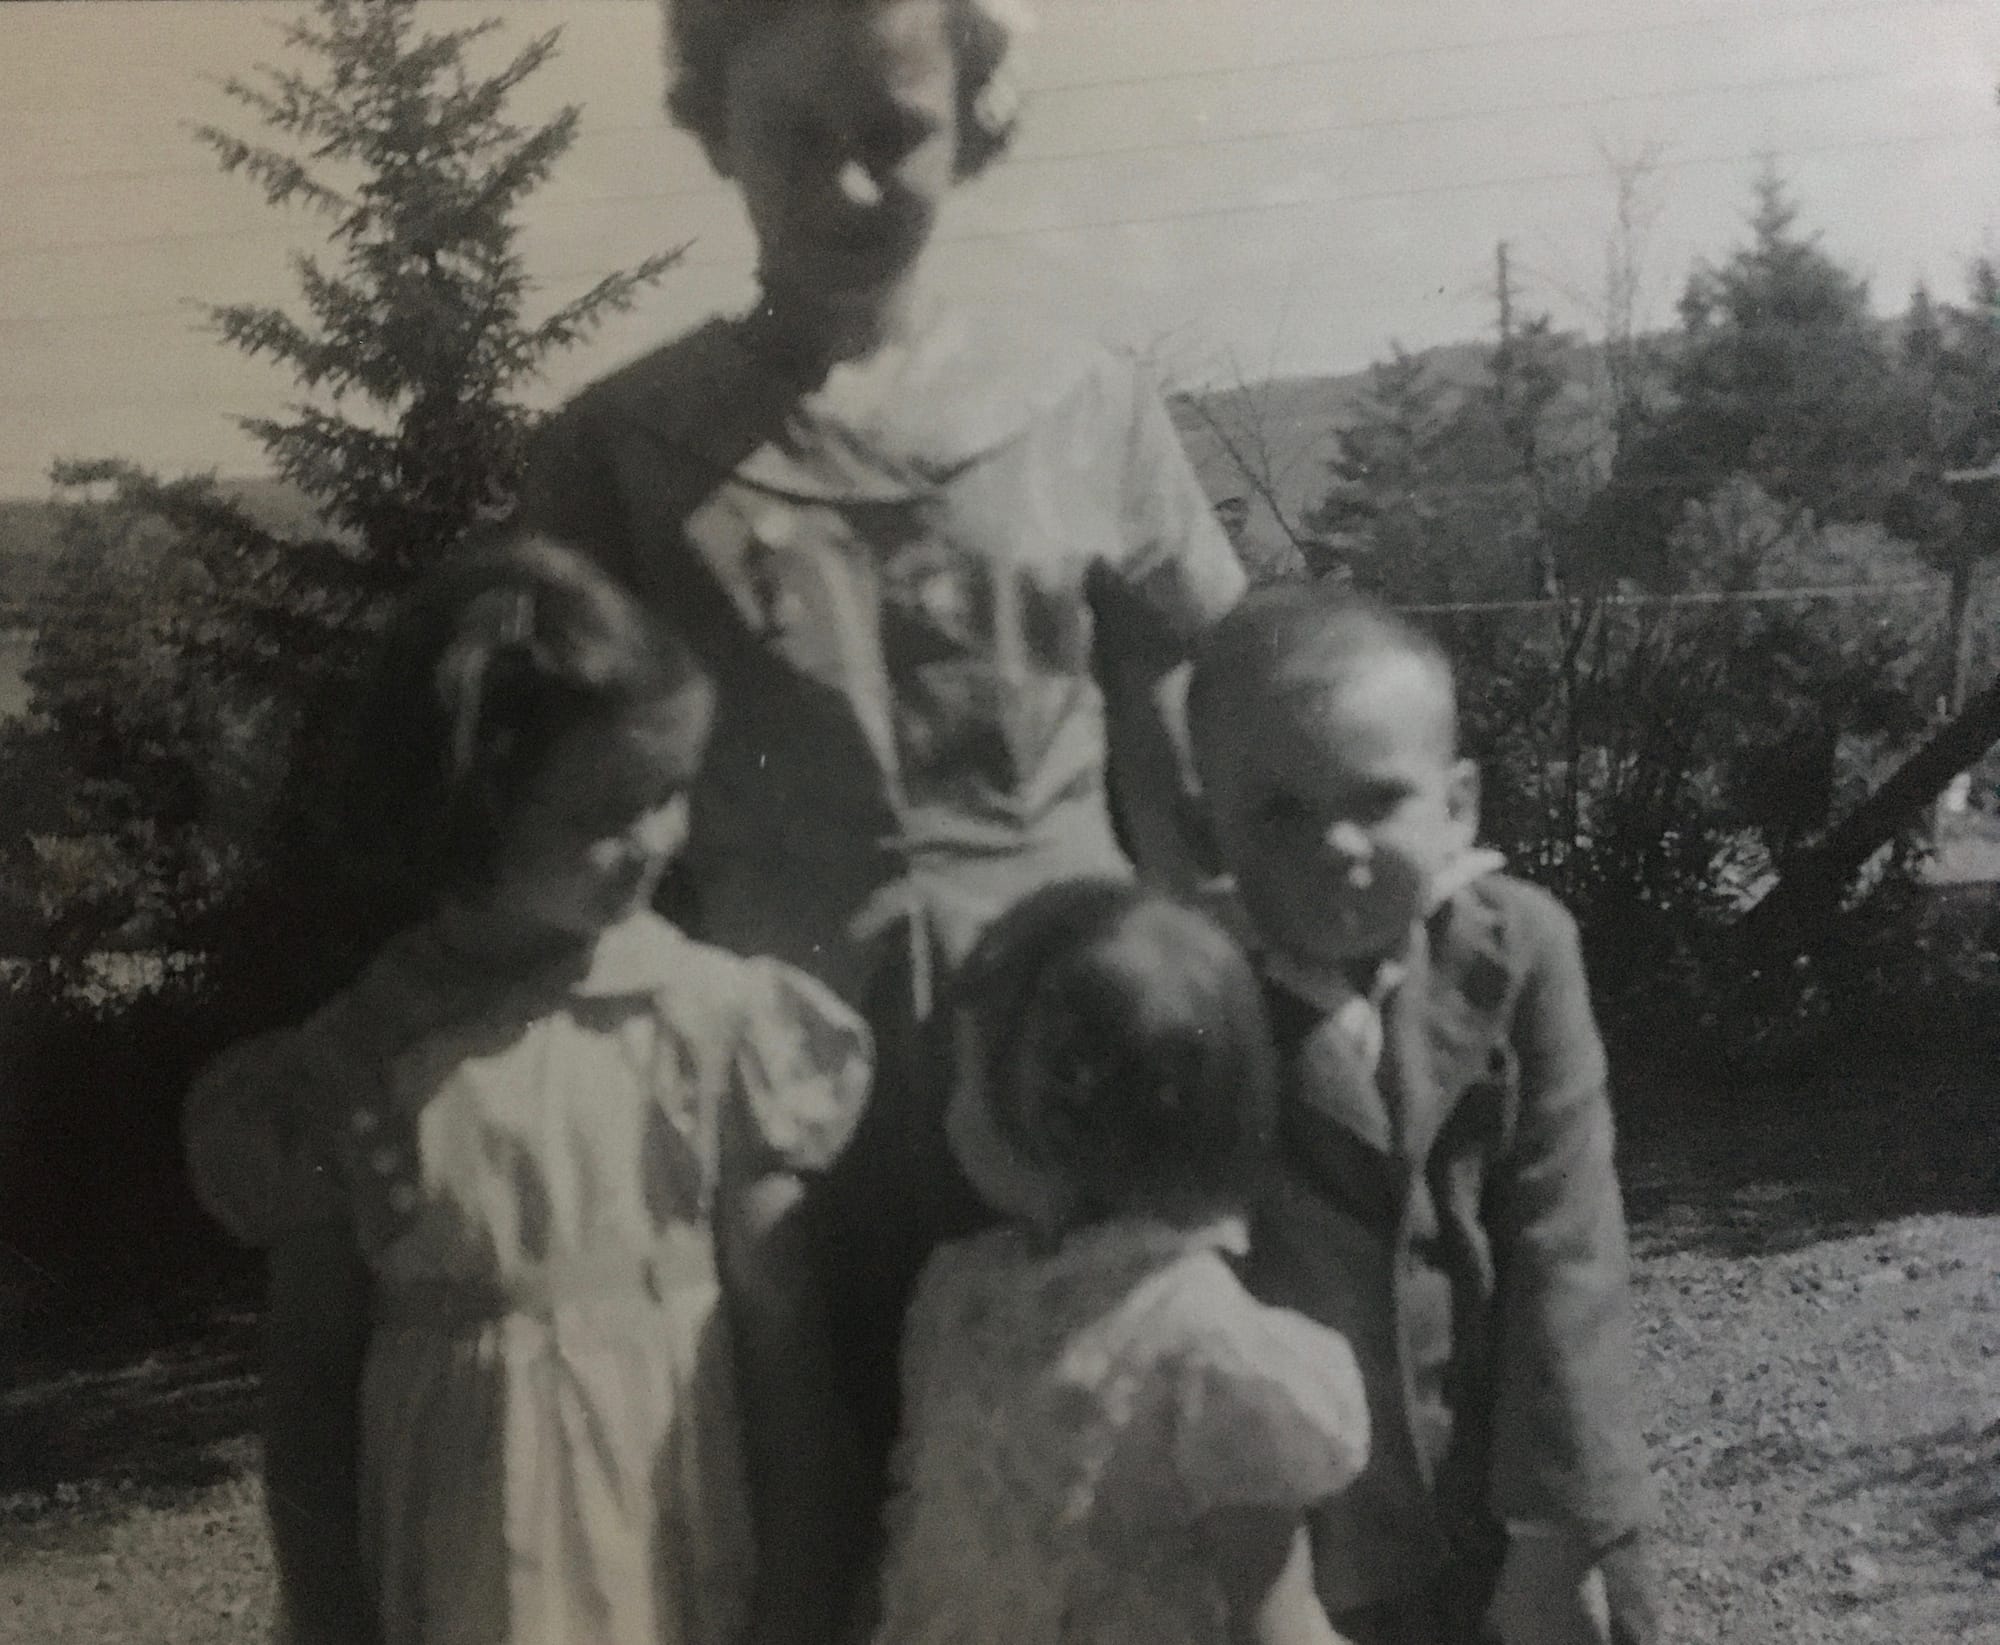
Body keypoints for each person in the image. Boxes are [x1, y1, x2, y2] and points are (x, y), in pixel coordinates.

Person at [516, 0, 1247, 1519]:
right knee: (805, 1486)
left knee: (1096, 1485)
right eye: (793, 137)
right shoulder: (620, 448)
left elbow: (1182, 746)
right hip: (760, 1065)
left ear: (975, 119)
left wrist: (1231, 1026)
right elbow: (549, 795)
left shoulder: (1085, 404)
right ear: (711, 126)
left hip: (1076, 1046)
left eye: (893, 133)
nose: (847, 186)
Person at [182, 535, 871, 1645]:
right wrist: (330, 1618)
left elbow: (786, 1361)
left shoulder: (714, 1028)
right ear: (468, 812)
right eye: (605, 816)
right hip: (466, 1581)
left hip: (683, 1566)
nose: (659, 839)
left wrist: (800, 1609)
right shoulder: (357, 1065)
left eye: (670, 793)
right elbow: (308, 1390)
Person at [1185, 585, 1659, 1645]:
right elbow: (1181, 1296)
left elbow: (1566, 1247)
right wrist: (1266, 1589)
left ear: (1457, 804)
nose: (1336, 845)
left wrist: (1558, 1537)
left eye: (1376, 799)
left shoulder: (1518, 949)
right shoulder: (1190, 993)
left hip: (1506, 1520)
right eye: (1279, 813)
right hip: (1300, 1550)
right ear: (1204, 818)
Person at [872, 878, 1371, 1645]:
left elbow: (1276, 1614)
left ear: (1047, 1122)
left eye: (966, 1082)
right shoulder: (963, 1292)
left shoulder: (1202, 1340)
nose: (948, 1111)